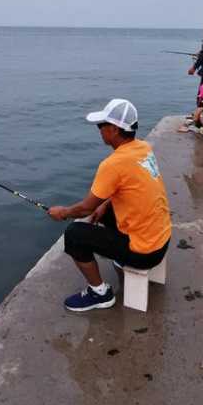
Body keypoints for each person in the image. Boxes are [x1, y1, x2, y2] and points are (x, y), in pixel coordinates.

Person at [48, 99, 171, 312]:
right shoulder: (143, 148)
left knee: (74, 234)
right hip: (162, 239)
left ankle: (99, 293)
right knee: (103, 208)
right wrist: (104, 205)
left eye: (101, 126)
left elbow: (85, 208)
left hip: (144, 253)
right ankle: (120, 257)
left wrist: (63, 212)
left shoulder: (112, 164)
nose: (99, 131)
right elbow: (129, 188)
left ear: (114, 129)